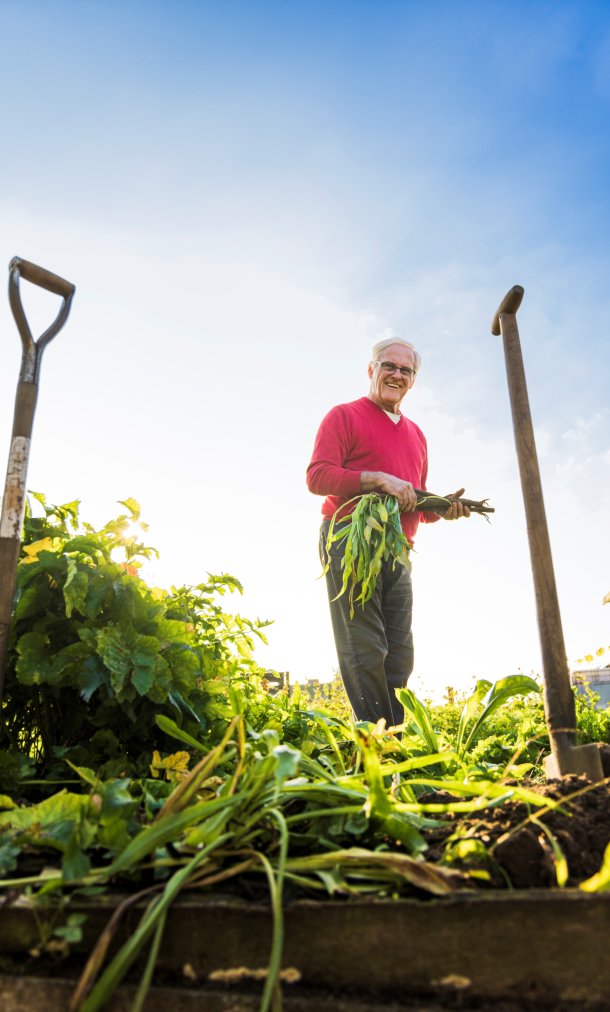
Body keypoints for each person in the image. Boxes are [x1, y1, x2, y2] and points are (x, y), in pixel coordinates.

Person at [306, 337, 470, 727]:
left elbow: (413, 504)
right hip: (350, 536)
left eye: (406, 370)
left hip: (398, 548)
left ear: (413, 380)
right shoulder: (344, 416)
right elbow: (317, 477)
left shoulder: (417, 435)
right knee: (364, 646)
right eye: (389, 366)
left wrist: (442, 509)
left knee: (399, 652)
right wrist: (377, 479)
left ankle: (392, 738)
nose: (397, 374)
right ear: (371, 369)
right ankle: (374, 742)